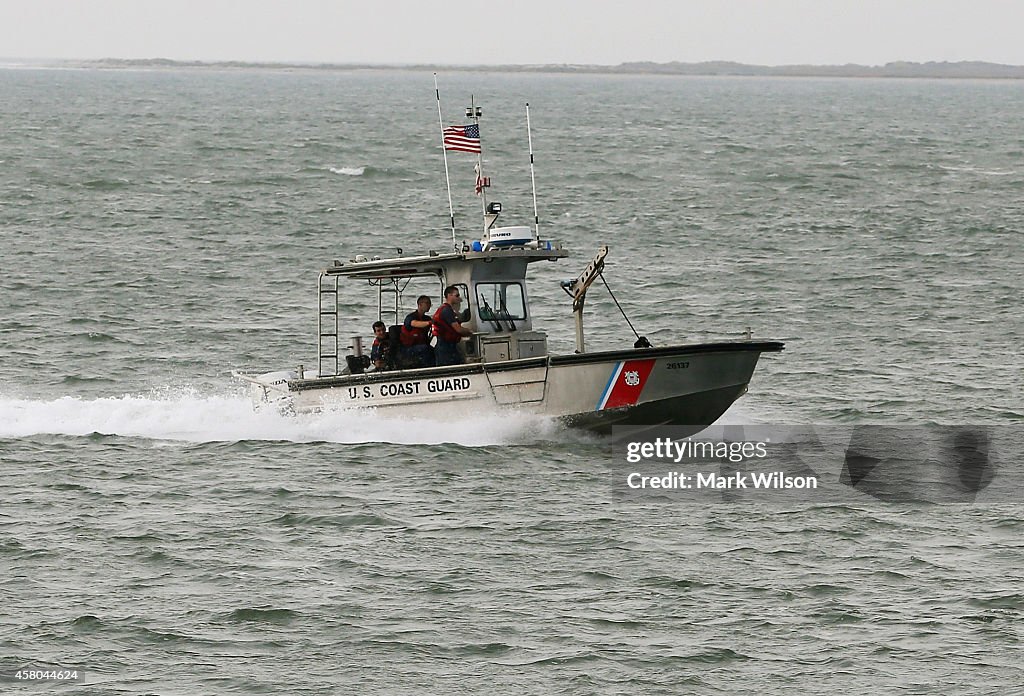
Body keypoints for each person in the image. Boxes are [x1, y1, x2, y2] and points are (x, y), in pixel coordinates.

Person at [432, 285, 473, 366]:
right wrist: (469, 331)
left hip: (448, 345)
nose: (458, 298)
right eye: (457, 295)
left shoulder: (448, 310)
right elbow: (458, 329)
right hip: (445, 346)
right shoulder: (446, 311)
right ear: (449, 295)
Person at [399, 295, 435, 368]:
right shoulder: (410, 317)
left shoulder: (426, 318)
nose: (429, 306)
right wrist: (430, 323)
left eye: (430, 304)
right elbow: (415, 323)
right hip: (408, 348)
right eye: (427, 303)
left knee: (434, 349)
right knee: (425, 348)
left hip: (421, 345)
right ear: (420, 304)